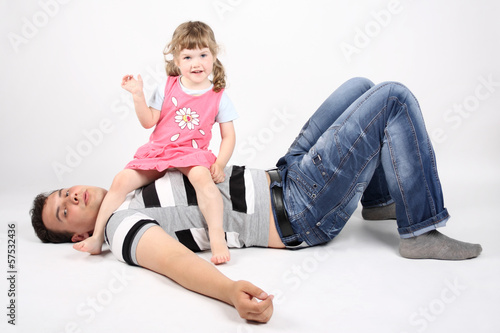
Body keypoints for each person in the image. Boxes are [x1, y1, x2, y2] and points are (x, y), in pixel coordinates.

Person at [30, 77, 482, 323]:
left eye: (62, 192)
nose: (70, 196)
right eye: (64, 211)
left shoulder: (131, 179)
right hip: (302, 210)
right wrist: (229, 293)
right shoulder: (121, 224)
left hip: (284, 174)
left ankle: (380, 199)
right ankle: (420, 230)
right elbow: (173, 263)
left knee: (359, 86)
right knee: (392, 97)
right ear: (82, 234)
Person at [73, 21, 237, 264]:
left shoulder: (218, 95)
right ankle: (97, 237)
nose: (196, 63)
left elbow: (229, 136)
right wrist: (138, 96)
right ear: (177, 62)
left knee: (204, 181)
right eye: (188, 56)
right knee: (121, 180)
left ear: (213, 56)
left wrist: (220, 163)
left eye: (203, 54)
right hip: (160, 151)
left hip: (192, 153)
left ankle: (216, 237)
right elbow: (149, 121)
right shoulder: (167, 86)